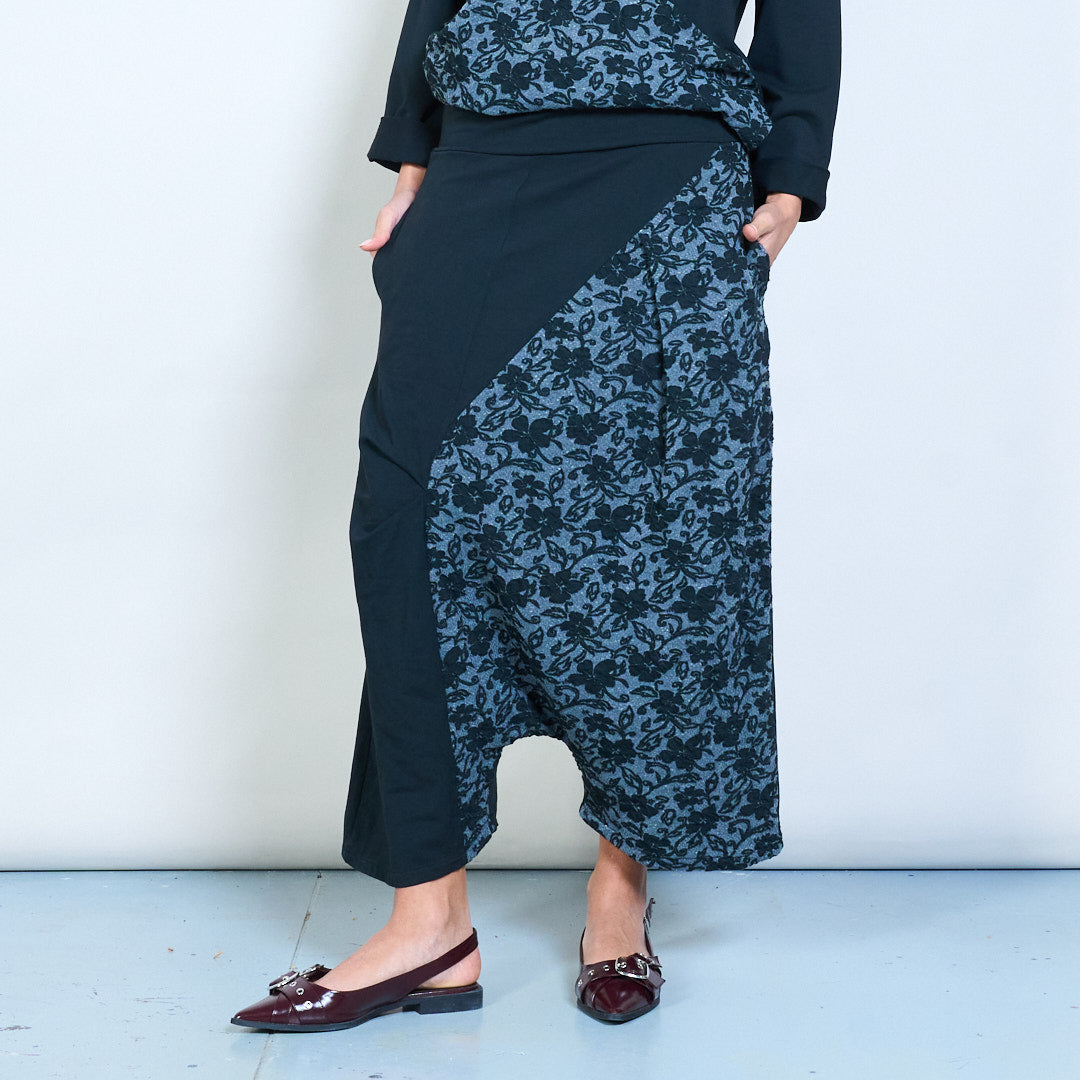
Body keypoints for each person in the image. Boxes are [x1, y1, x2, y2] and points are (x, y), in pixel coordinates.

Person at [232, 0, 841, 1032]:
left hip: (663, 172)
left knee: (648, 537)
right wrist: (412, 151)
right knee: (407, 515)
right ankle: (430, 926)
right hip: (481, 153)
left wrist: (793, 172)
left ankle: (620, 890)